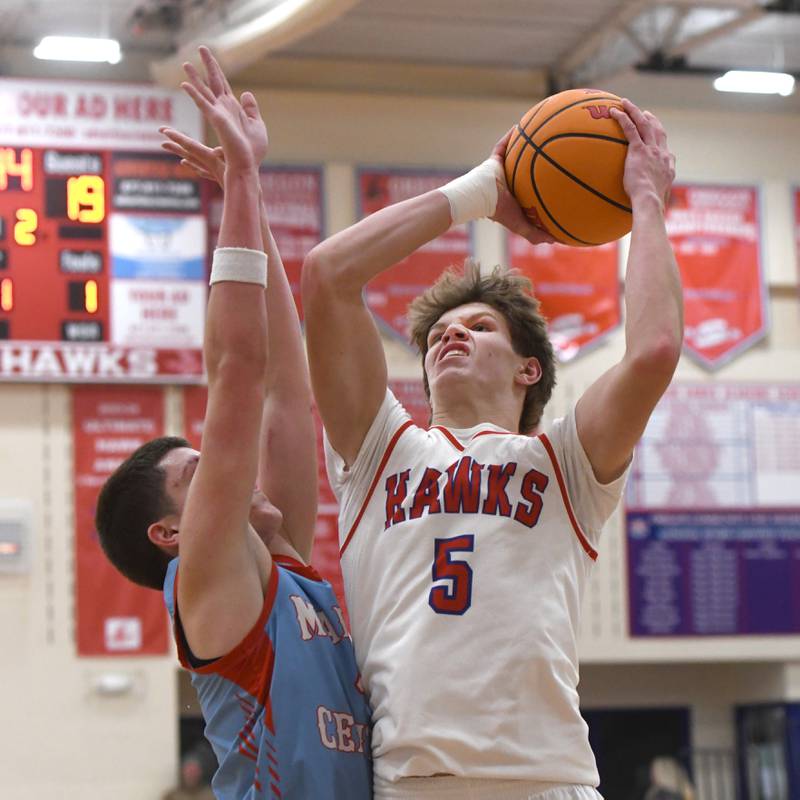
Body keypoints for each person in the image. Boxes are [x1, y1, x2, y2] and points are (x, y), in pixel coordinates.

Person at [301, 99, 681, 800]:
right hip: (412, 783)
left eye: (478, 327)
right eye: (439, 333)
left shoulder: (565, 464)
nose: (452, 335)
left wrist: (648, 200)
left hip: (547, 780)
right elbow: (327, 275)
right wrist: (481, 190)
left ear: (527, 368)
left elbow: (655, 350)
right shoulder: (381, 451)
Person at [95, 47, 371, 799]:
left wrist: (242, 192)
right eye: (197, 473)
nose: (228, 467)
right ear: (171, 533)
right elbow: (240, 371)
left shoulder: (279, 570)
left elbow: (287, 387)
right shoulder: (207, 575)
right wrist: (245, 181)